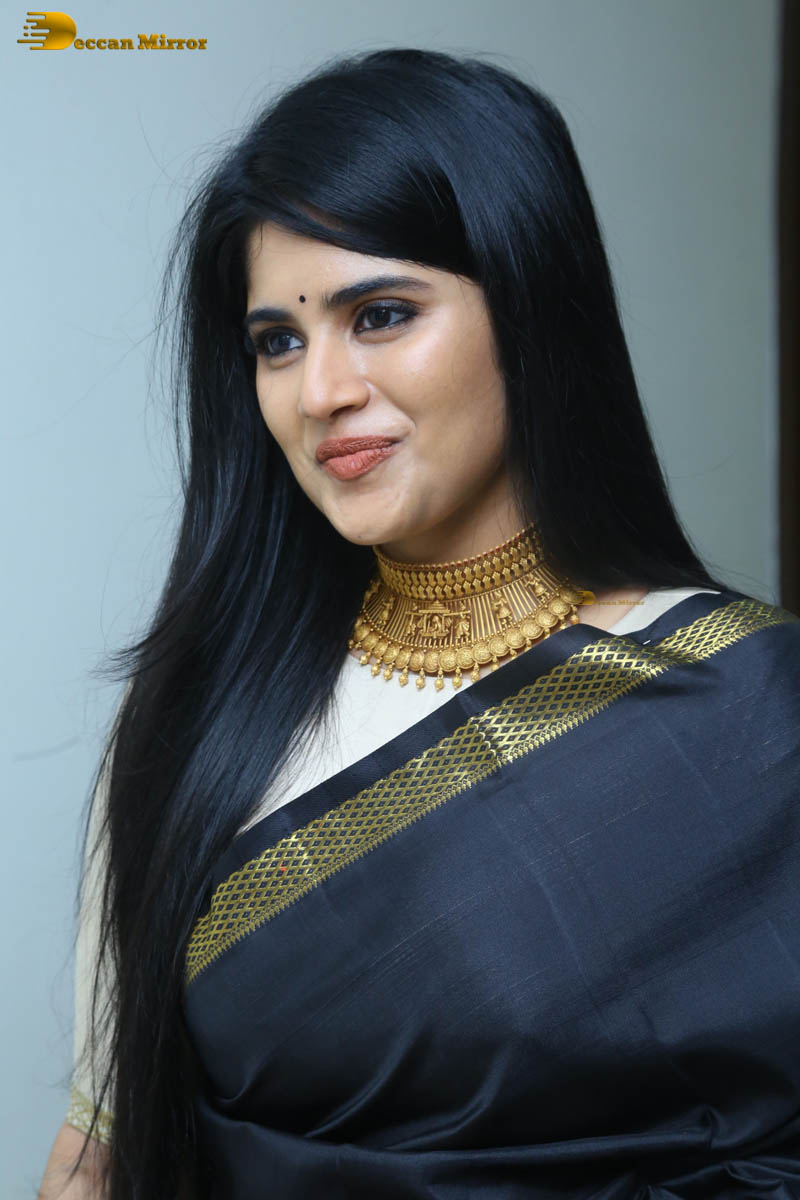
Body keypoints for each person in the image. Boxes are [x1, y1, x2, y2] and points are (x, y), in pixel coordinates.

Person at [38, 46, 800, 1200]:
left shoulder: (753, 714)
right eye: (276, 341)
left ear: (529, 303)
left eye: (381, 315)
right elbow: (100, 1158)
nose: (320, 392)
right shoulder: (195, 724)